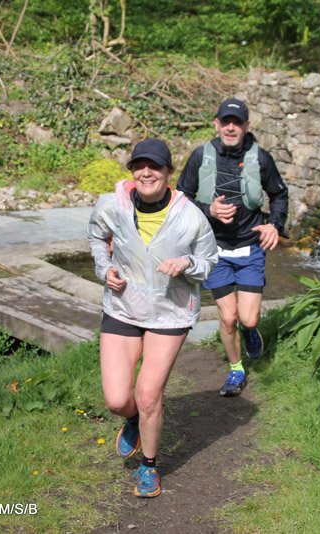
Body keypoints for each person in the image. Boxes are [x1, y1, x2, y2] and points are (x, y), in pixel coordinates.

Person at [87, 138, 218, 498]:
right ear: (132, 171)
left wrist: (187, 263)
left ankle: (149, 465)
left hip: (170, 312)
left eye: (155, 166)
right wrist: (105, 268)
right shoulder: (111, 205)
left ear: (168, 172)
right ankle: (132, 421)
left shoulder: (190, 216)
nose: (146, 173)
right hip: (123, 307)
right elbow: (97, 237)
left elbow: (209, 262)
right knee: (117, 400)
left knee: (147, 395)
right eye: (139, 166)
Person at [177, 98, 288, 397]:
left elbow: (279, 194)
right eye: (225, 121)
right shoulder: (200, 156)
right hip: (213, 249)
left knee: (248, 318)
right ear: (216, 124)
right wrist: (208, 210)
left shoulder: (260, 158)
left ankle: (250, 331)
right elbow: (180, 197)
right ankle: (236, 370)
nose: (230, 127)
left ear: (246, 126)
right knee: (228, 318)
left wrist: (274, 225)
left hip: (250, 247)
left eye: (236, 123)